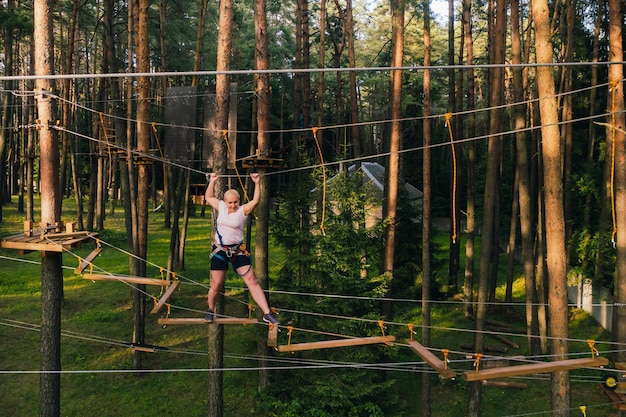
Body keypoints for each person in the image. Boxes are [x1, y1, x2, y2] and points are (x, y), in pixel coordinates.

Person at [204, 172, 280, 325]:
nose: (232, 205)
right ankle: (211, 309)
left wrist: (257, 183)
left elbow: (256, 200)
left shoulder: (242, 211)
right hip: (219, 251)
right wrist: (212, 181)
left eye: (235, 202)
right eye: (230, 202)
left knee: (252, 280)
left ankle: (267, 313)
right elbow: (208, 197)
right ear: (225, 202)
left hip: (238, 251)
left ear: (239, 201)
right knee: (216, 285)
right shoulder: (221, 207)